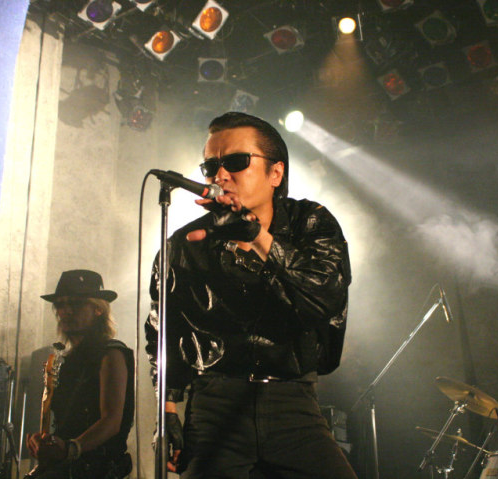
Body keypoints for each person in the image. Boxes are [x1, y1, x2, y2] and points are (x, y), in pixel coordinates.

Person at [145, 112, 357, 478]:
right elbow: (163, 329)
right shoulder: (185, 244)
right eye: (211, 166)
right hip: (214, 407)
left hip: (293, 404)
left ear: (276, 173)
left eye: (236, 162)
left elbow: (324, 297)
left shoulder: (310, 222)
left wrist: (256, 236)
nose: (220, 175)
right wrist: (167, 413)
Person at [26, 270, 134, 479]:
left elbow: (111, 421)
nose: (66, 311)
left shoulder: (111, 353)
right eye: (60, 305)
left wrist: (72, 448)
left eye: (76, 304)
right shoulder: (66, 360)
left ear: (98, 309)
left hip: (97, 469)